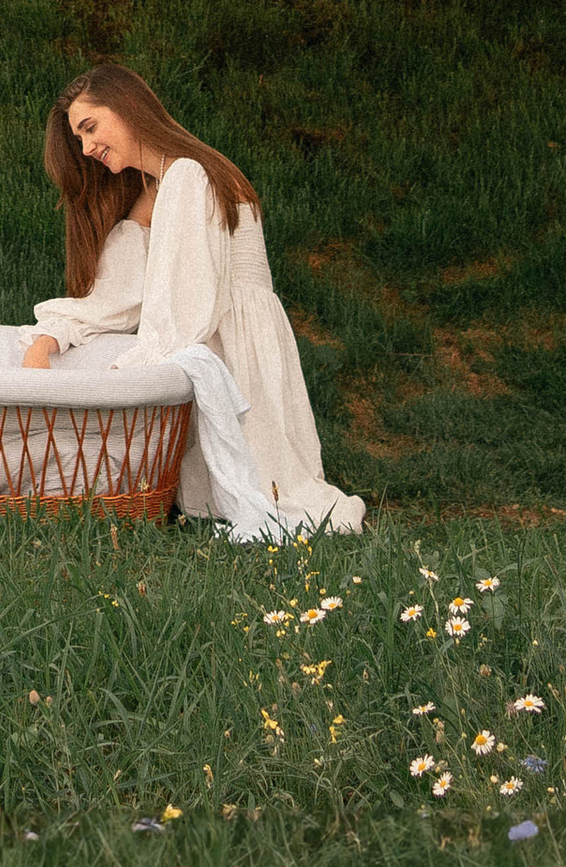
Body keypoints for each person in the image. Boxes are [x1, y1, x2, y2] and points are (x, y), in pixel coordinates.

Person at [21, 59, 364, 533]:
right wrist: (51, 338)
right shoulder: (157, 188)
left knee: (275, 491)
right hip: (220, 333)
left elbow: (187, 309)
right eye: (78, 138)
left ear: (128, 108)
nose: (86, 147)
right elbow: (119, 299)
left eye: (90, 127)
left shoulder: (187, 176)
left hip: (235, 343)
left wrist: (127, 372)